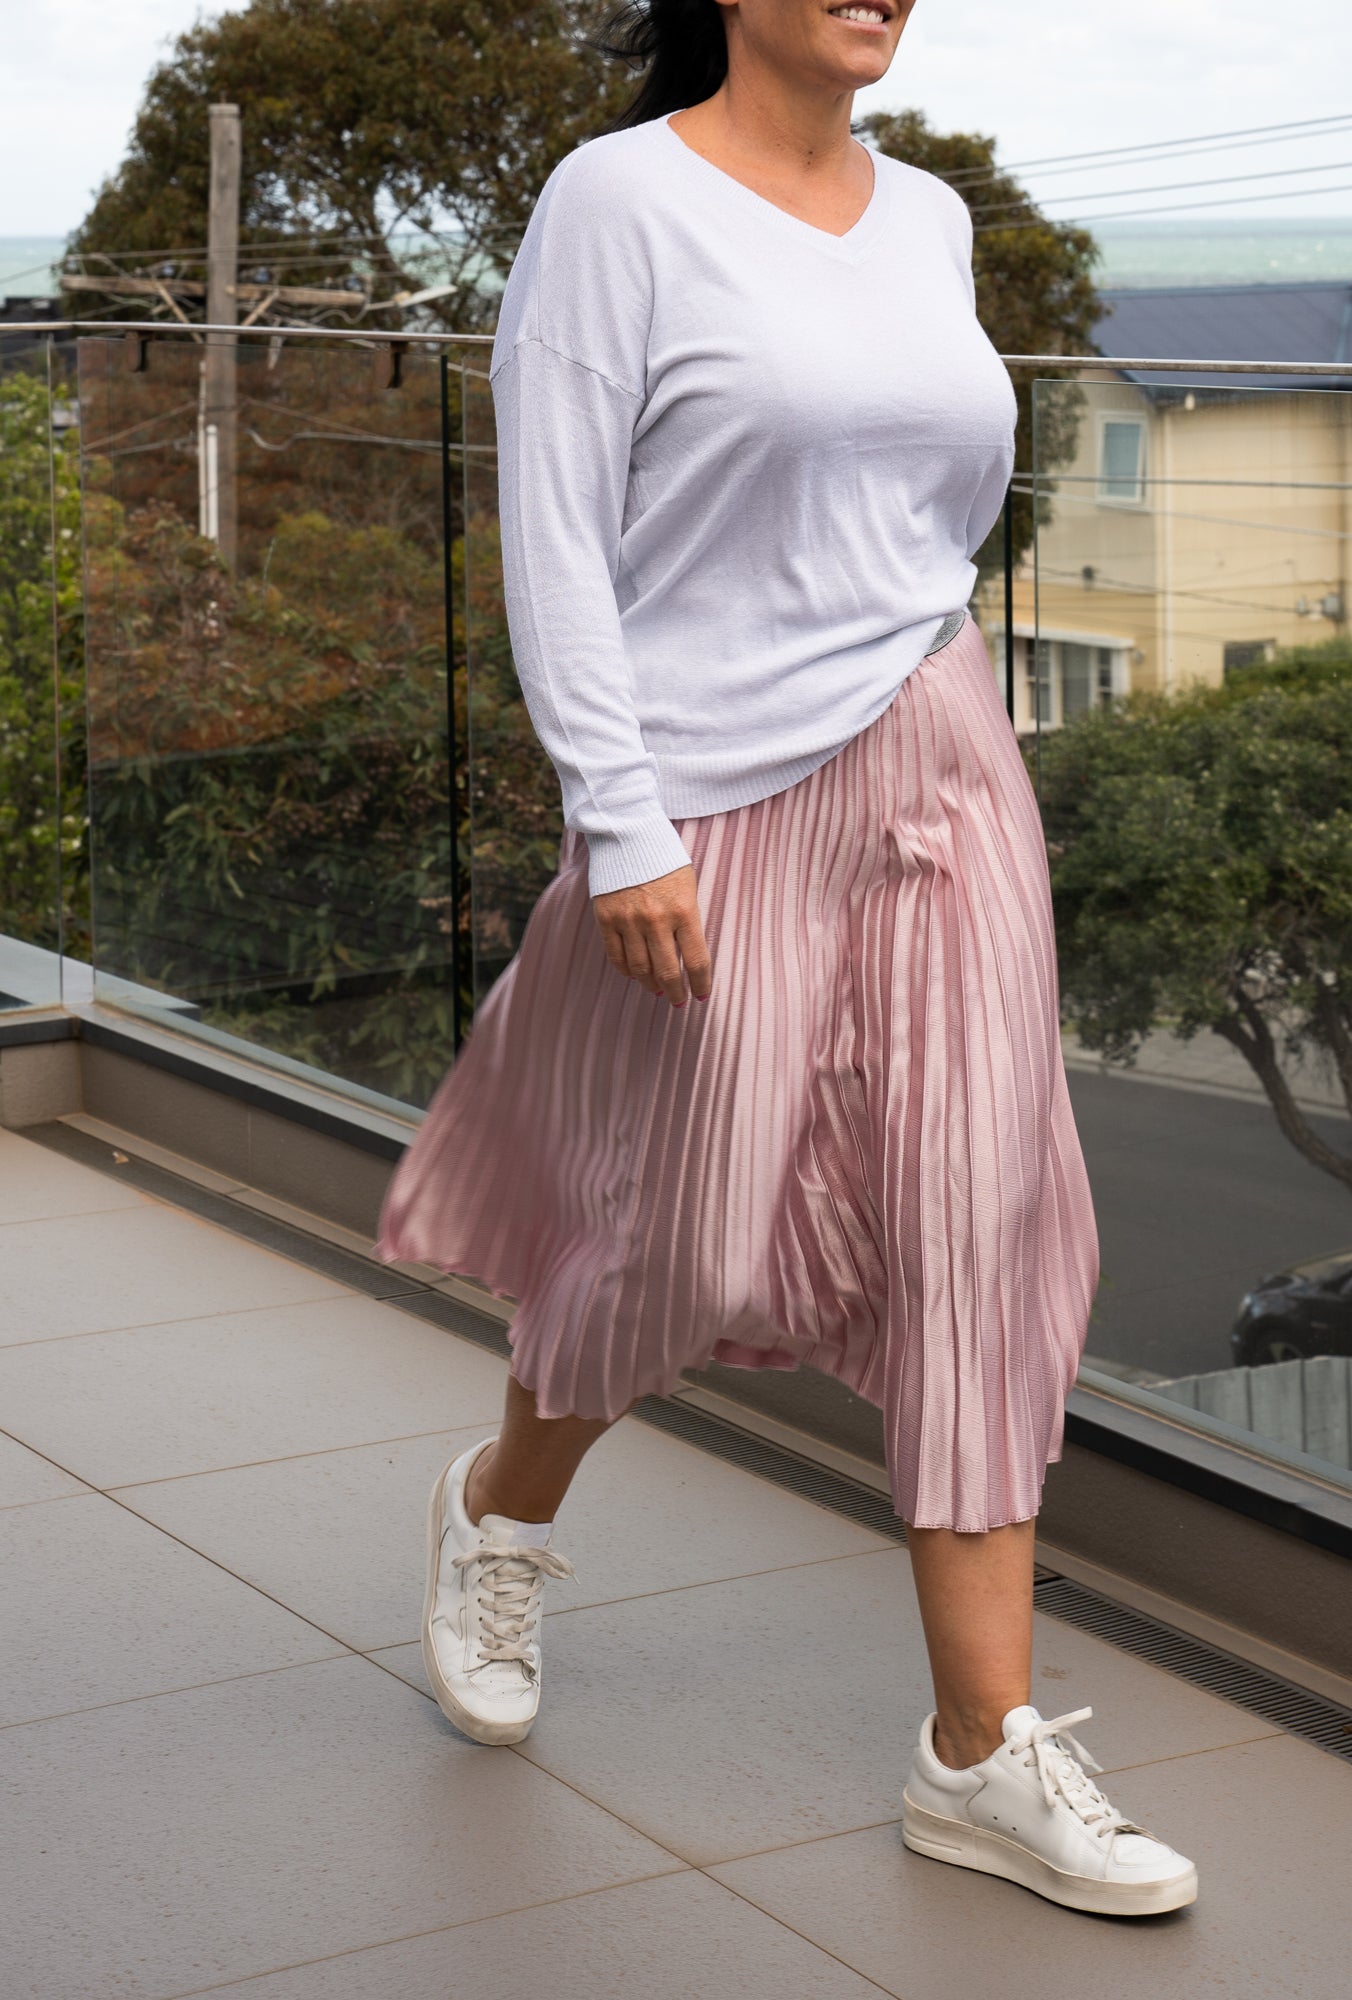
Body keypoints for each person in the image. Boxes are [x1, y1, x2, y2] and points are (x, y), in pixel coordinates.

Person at [378, 0, 1197, 1918]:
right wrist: (626, 815)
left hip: (939, 763)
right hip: (708, 799)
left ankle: (980, 1755)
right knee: (686, 1230)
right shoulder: (618, 201)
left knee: (978, 1219)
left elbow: (930, 514)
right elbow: (559, 540)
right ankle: (498, 1515)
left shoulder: (928, 219)